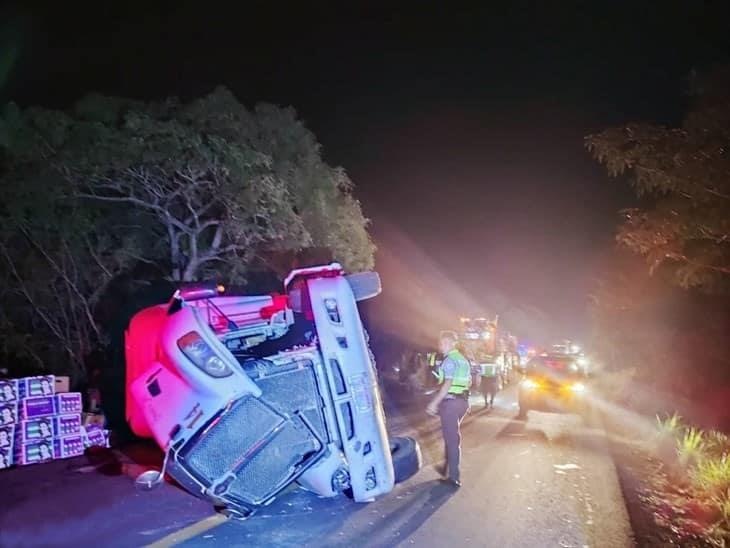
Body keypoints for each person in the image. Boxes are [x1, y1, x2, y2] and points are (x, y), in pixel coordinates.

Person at [426, 331, 471, 487]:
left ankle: (454, 477)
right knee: (450, 436)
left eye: (445, 343)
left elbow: (447, 384)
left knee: (452, 439)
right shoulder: (463, 360)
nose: (441, 346)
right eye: (441, 343)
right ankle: (447, 468)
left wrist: (434, 403)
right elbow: (469, 381)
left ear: (453, 344)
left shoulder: (450, 360)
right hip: (462, 403)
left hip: (451, 403)